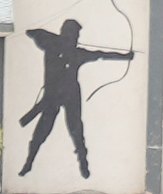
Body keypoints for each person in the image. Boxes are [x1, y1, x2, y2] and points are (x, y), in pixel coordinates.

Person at [17, 19, 134, 180]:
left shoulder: (76, 53)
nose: (76, 38)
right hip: (52, 96)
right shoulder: (51, 45)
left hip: (71, 95)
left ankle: (83, 163)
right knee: (41, 132)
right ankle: (28, 163)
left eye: (76, 35)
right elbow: (31, 32)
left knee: (76, 130)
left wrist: (125, 56)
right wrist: (59, 40)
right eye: (73, 34)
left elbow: (101, 55)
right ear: (65, 33)